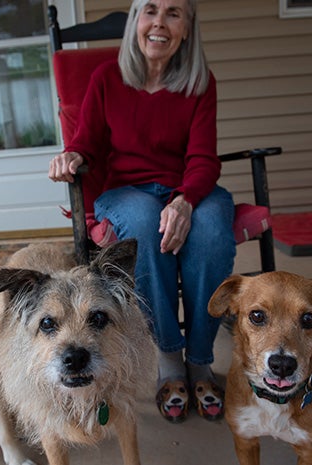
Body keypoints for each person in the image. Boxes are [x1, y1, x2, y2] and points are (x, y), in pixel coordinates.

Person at [48, 0, 235, 423]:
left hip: (187, 188)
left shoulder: (200, 83)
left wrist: (185, 200)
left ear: (187, 29)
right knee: (145, 221)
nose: (160, 23)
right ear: (136, 21)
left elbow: (204, 157)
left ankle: (200, 360)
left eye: (173, 13)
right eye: (150, 10)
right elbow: (88, 143)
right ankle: (170, 358)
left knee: (209, 231)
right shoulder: (107, 78)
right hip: (126, 192)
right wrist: (71, 155)